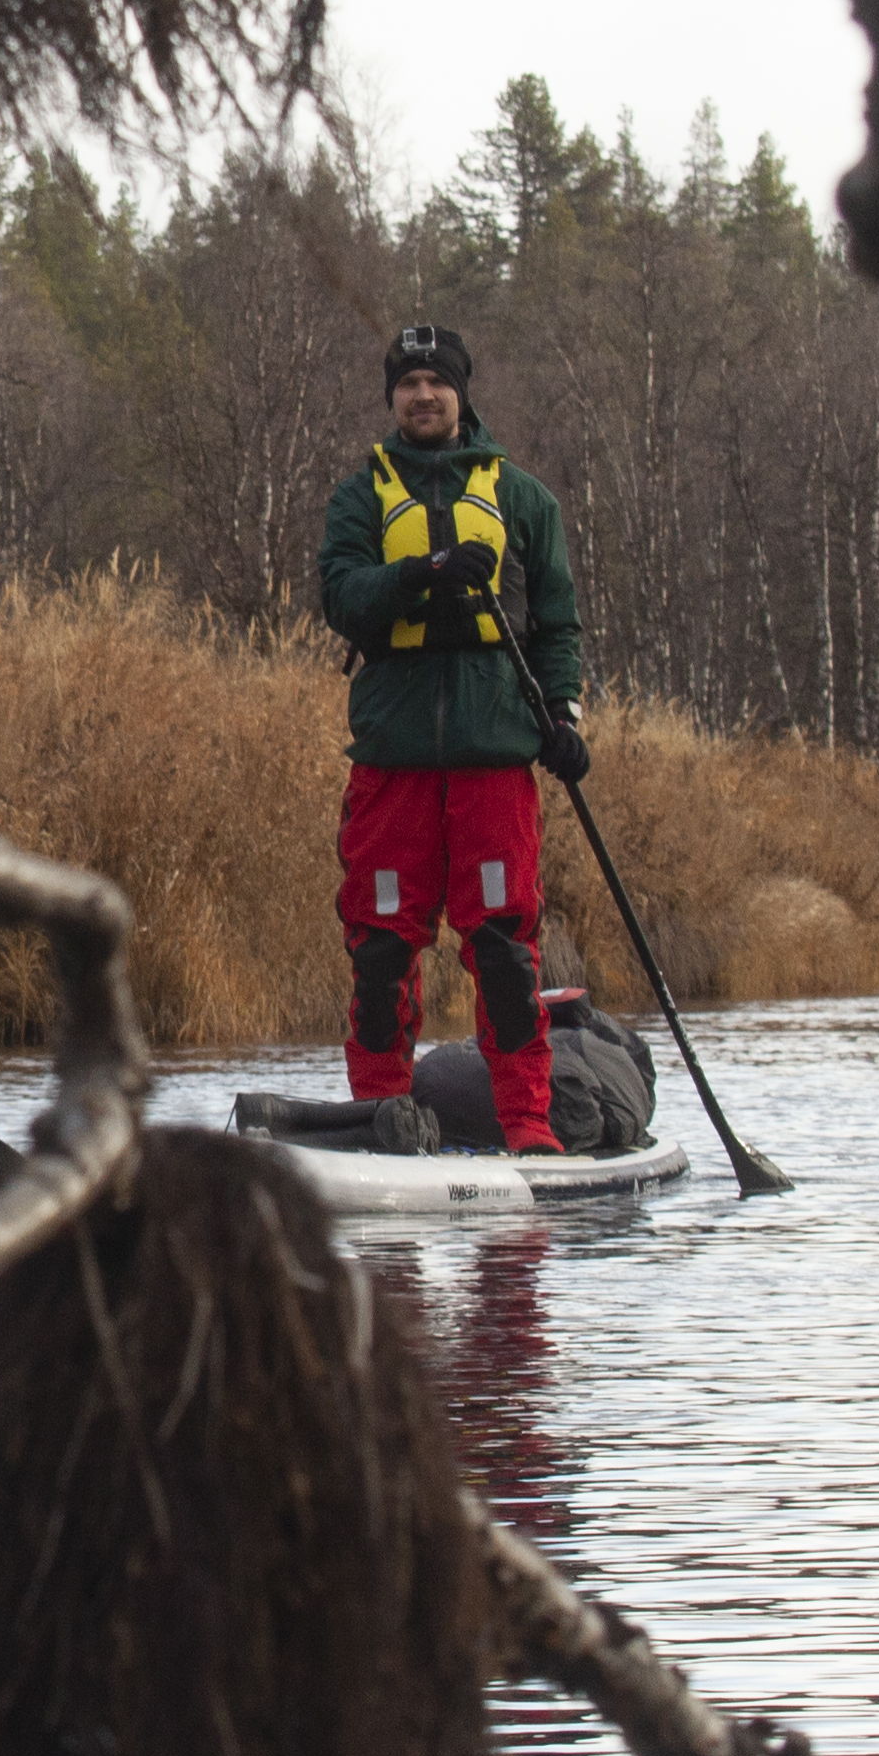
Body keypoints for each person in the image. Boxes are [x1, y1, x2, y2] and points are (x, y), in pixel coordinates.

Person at [312, 321, 589, 1151]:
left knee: (503, 952)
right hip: (392, 763)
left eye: (436, 381)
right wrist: (424, 573)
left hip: (492, 761)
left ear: (461, 393)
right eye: (407, 383)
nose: (422, 395)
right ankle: (383, 1119)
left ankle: (527, 1127)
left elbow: (558, 626)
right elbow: (344, 598)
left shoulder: (522, 498)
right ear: (392, 398)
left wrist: (565, 717)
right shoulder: (359, 497)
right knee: (380, 954)